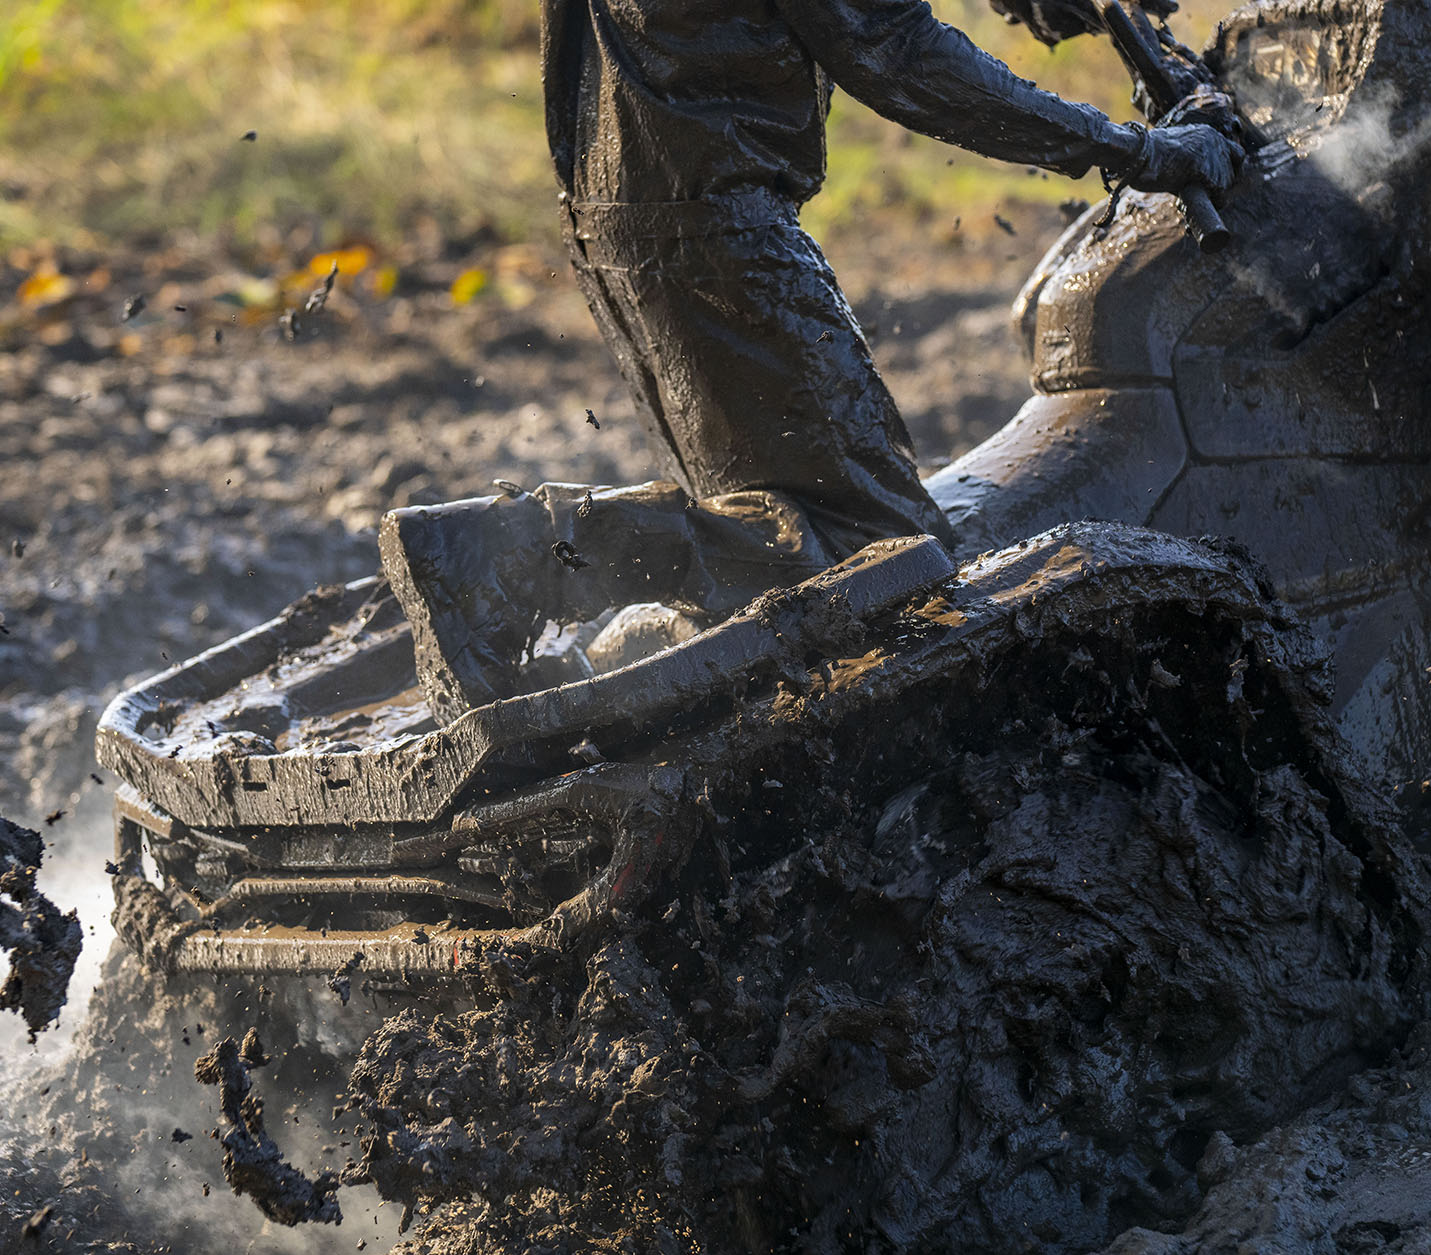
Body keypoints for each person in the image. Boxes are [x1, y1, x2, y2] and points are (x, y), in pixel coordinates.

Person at [383, 0, 1244, 721]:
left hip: (623, 214)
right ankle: (505, 554)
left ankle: (601, 678)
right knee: (887, 566)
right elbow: (898, 52)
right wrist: (1136, 150)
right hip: (721, 229)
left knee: (779, 560)